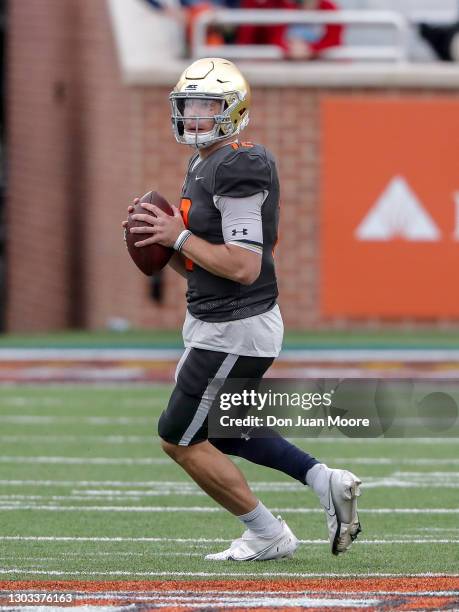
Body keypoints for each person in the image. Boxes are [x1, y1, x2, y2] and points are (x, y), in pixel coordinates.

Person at [123, 57, 361, 561]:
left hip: (234, 326)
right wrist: (166, 249)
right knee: (223, 429)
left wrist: (178, 235)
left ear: (233, 109)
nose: (193, 115)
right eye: (188, 104)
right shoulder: (205, 161)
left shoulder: (238, 164)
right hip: (220, 319)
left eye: (206, 104)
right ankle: (326, 481)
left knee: (178, 438)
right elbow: (207, 266)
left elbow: (242, 266)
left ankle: (267, 532)